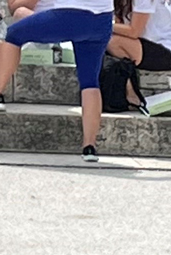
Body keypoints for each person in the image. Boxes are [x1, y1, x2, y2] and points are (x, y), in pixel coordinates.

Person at [0, 0, 114, 158]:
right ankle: (89, 147)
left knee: (13, 34)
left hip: (69, 15)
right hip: (102, 19)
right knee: (90, 81)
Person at [107, 0, 171, 69]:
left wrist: (103, 26)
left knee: (112, 42)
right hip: (137, 45)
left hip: (164, 49)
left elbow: (134, 32)